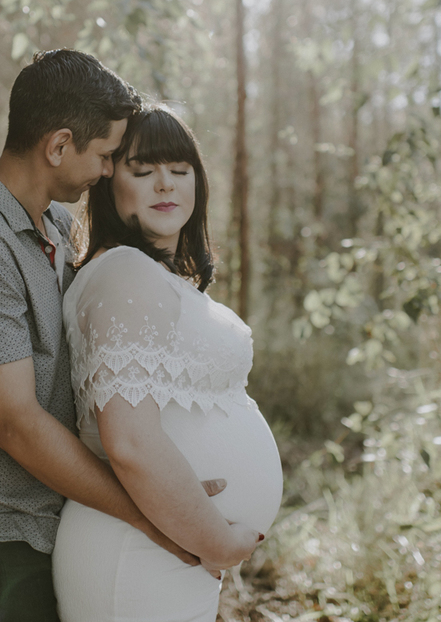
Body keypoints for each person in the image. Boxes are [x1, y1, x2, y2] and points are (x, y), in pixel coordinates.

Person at [0, 51, 212, 622]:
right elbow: (14, 424)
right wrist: (148, 514)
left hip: (53, 518)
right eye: (103, 156)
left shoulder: (56, 226)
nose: (105, 172)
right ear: (58, 145)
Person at [52, 104, 284, 622]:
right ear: (110, 183)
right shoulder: (124, 274)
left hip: (166, 546)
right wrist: (217, 542)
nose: (165, 185)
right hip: (138, 552)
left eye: (180, 171)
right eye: (143, 170)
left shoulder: (154, 277)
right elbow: (130, 441)